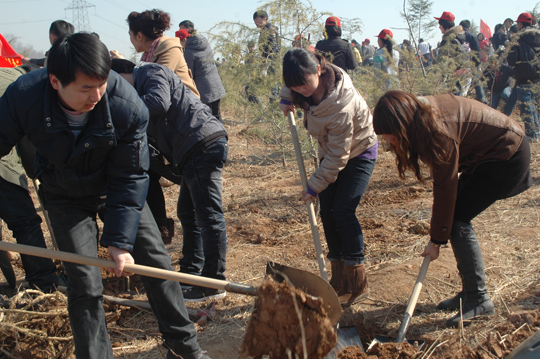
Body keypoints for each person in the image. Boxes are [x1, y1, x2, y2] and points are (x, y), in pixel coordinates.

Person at [0, 33, 210, 359]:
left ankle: (185, 349)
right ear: (55, 81)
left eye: (101, 83)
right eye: (85, 88)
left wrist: (119, 241)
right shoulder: (23, 98)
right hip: (63, 194)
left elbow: (130, 175)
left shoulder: (126, 105)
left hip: (117, 188)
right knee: (84, 284)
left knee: (156, 263)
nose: (96, 95)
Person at [373, 90, 531, 327]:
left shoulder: (438, 130)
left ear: (404, 124)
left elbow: (446, 186)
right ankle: (470, 292)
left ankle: (478, 299)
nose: (389, 142)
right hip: (489, 156)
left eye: (391, 136)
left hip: (506, 156)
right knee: (456, 216)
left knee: (457, 219)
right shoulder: (422, 117)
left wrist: (436, 239)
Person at [110, 59, 229, 302]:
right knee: (187, 212)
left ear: (122, 73)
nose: (117, 94)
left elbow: (159, 102)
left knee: (208, 216)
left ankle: (213, 284)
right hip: (192, 148)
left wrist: (122, 108)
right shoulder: (141, 86)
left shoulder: (150, 72)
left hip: (201, 143)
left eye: (115, 86)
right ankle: (190, 272)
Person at [278, 48, 378, 307]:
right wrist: (286, 98)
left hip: (359, 151)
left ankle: (357, 281)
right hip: (332, 150)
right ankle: (338, 278)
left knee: (343, 210)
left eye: (304, 83)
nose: (301, 89)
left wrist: (314, 186)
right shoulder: (302, 85)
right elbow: (290, 86)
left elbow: (337, 159)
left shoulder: (340, 104)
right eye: (295, 86)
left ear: (319, 69)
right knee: (326, 212)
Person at [120, 8, 201, 243]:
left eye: (130, 34)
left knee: (192, 194)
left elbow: (158, 95)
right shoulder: (150, 54)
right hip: (166, 125)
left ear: (138, 35)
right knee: (150, 173)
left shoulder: (167, 49)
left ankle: (192, 246)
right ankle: (160, 230)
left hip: (185, 124)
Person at [0, 64, 60, 292]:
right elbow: (26, 141)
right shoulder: (18, 84)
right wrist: (36, 172)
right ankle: (44, 283)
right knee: (25, 223)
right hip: (2, 168)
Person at [178, 20, 226, 122]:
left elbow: (189, 75)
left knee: (207, 119)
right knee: (217, 115)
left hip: (204, 91)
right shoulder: (205, 43)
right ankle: (222, 136)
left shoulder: (189, 52)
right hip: (216, 86)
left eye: (182, 29)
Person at [507, 12, 540, 142]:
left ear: (520, 24)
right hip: (537, 78)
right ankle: (536, 132)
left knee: (526, 108)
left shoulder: (517, 39)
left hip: (523, 78)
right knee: (534, 106)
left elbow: (511, 61)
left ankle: (532, 136)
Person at [435, 11, 471, 96]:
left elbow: (445, 60)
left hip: (453, 77)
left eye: (440, 24)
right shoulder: (459, 37)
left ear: (445, 24)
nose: (439, 27)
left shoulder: (449, 39)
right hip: (462, 74)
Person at [459, 20, 486, 104]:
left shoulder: (457, 36)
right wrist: (477, 64)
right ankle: (483, 101)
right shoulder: (473, 36)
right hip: (473, 63)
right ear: (469, 27)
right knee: (478, 84)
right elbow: (477, 51)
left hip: (461, 64)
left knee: (460, 85)